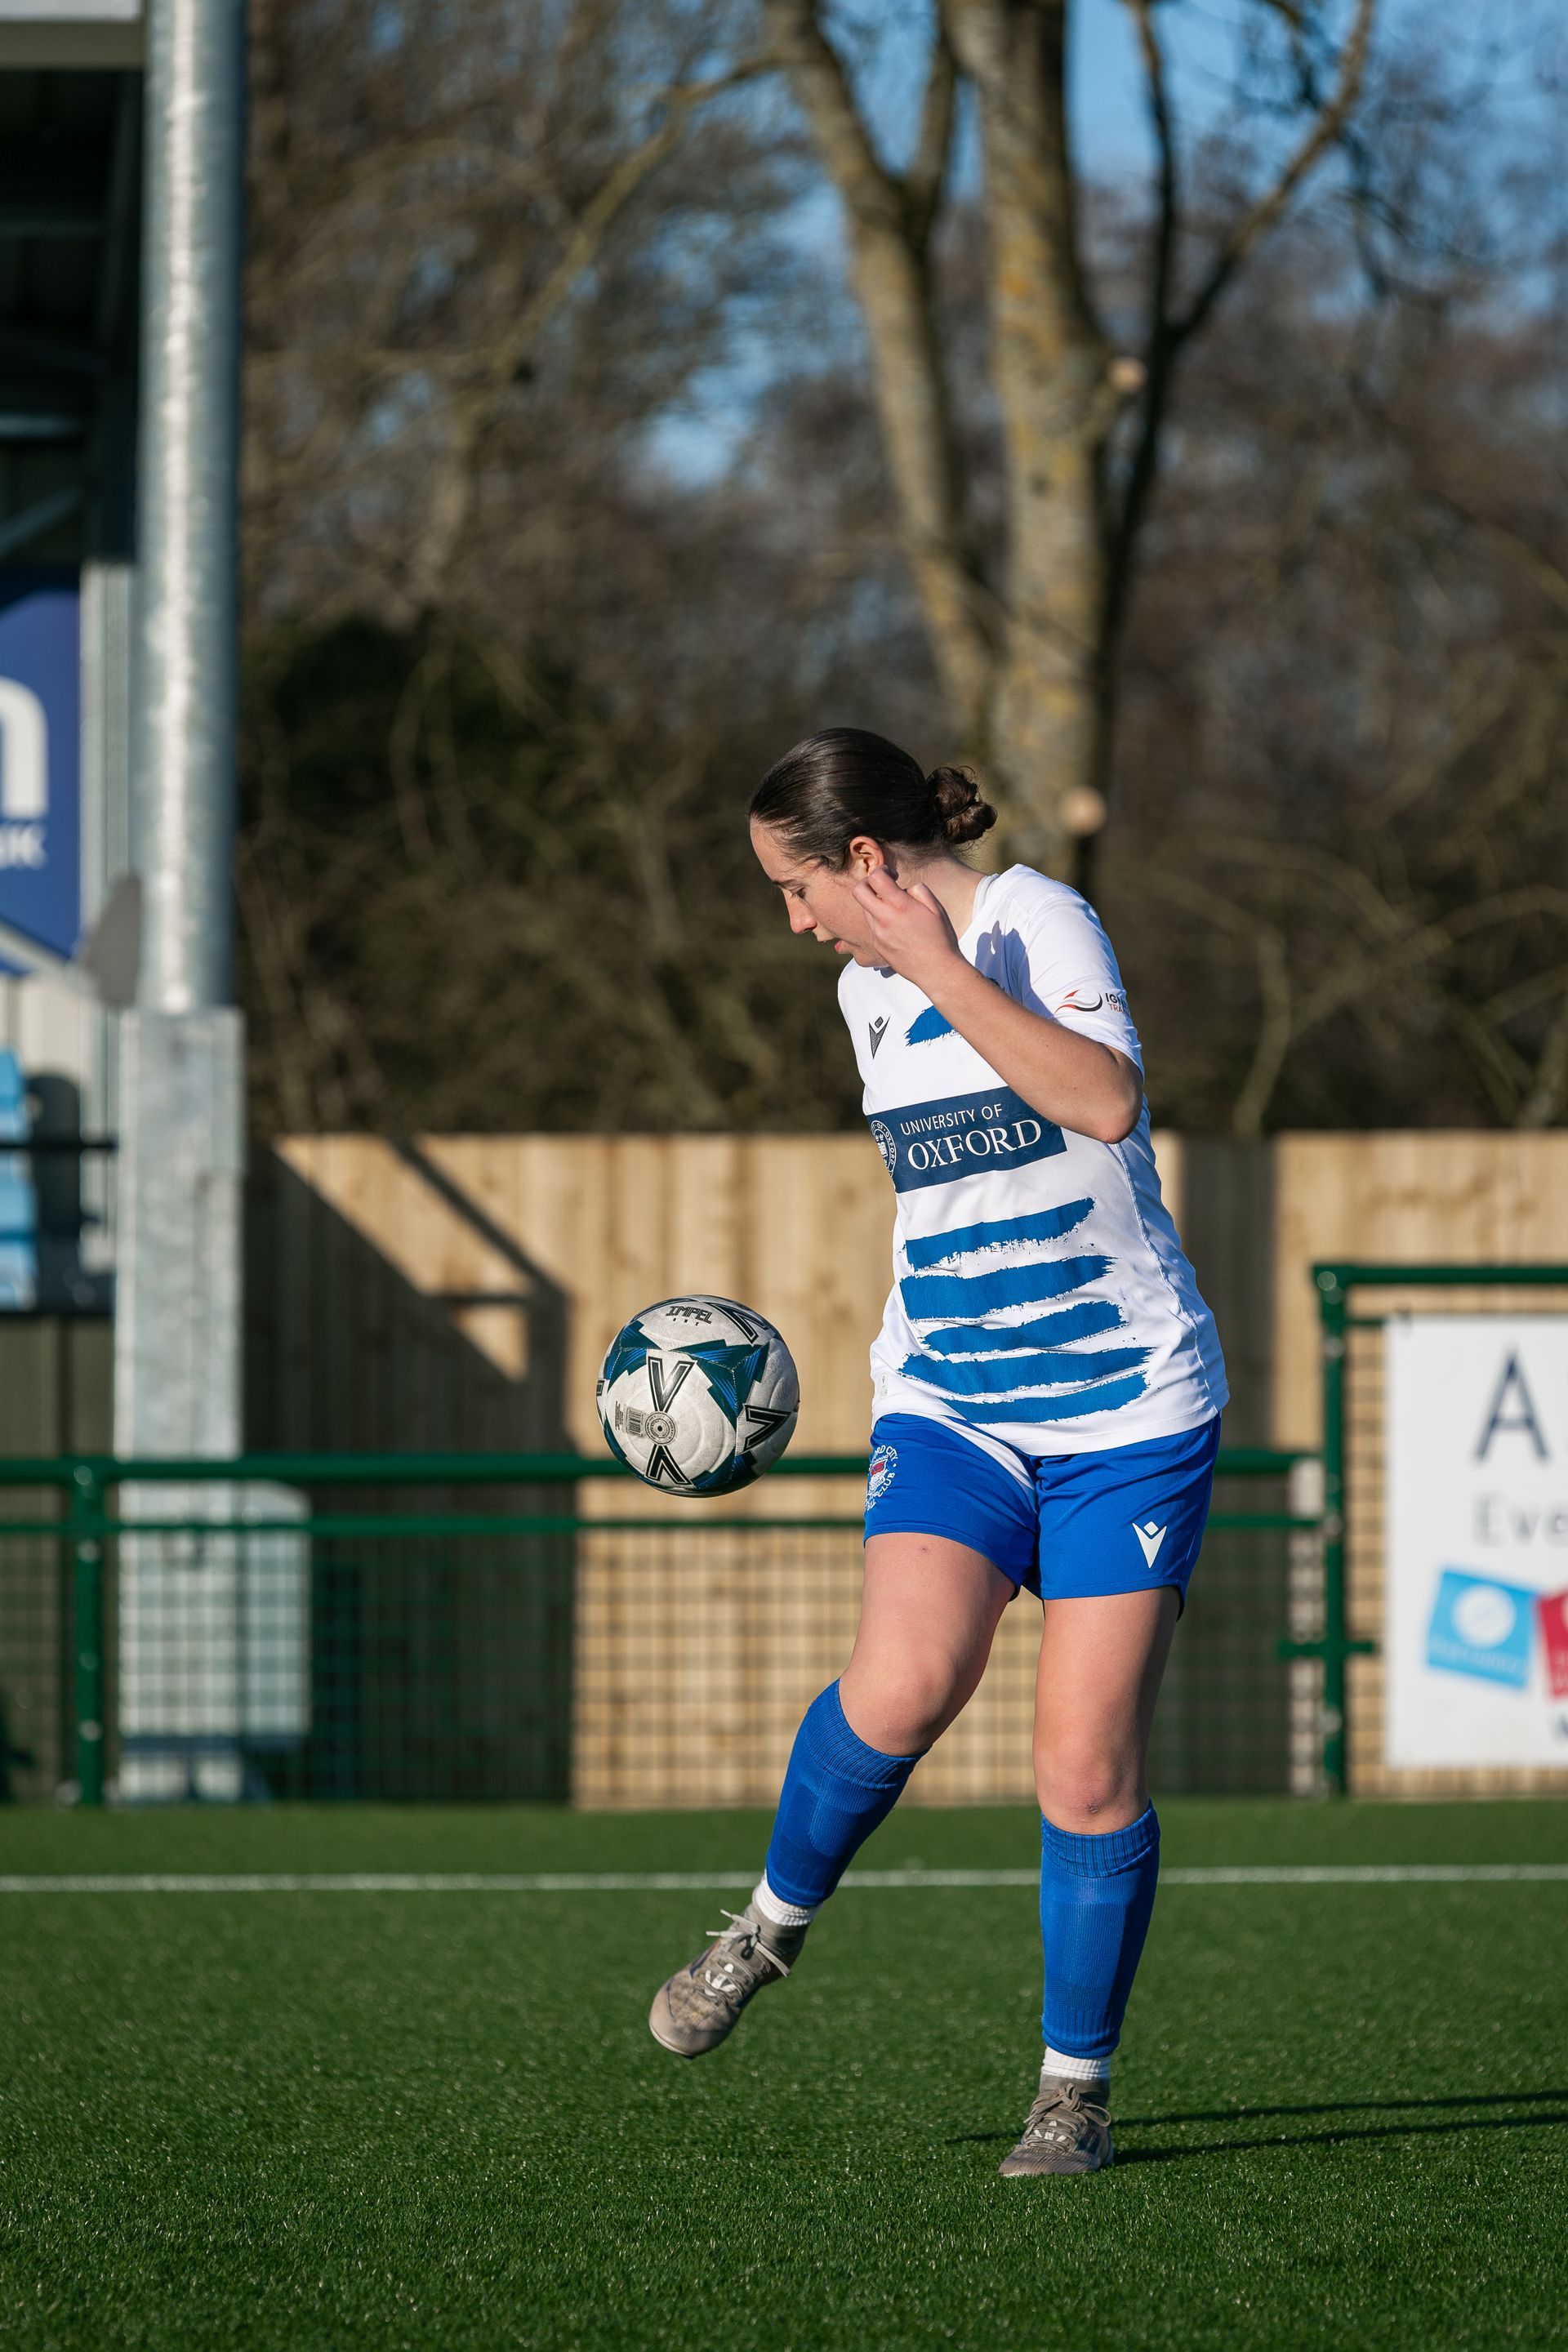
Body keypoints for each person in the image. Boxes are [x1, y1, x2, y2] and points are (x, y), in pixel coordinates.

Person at [647, 727, 1227, 2179]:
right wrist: (899, 968)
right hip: (953, 1402)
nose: (796, 923)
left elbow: (1104, 1102)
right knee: (902, 1685)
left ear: (864, 860)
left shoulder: (1034, 921)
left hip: (1126, 1418)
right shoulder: (862, 993)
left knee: (1081, 1769)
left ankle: (1073, 2093)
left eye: (797, 889)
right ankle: (768, 1927)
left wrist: (939, 965)